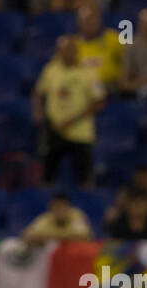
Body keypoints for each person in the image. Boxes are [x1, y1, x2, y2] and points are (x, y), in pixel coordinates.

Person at [33, 35, 105, 188]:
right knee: (47, 175)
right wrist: (39, 113)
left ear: (77, 50)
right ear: (58, 51)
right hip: (54, 129)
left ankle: (87, 204)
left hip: (81, 132)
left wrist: (73, 120)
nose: (68, 53)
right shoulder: (51, 69)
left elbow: (99, 101)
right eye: (64, 50)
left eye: (71, 49)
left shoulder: (90, 72)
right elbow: (39, 92)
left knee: (84, 177)